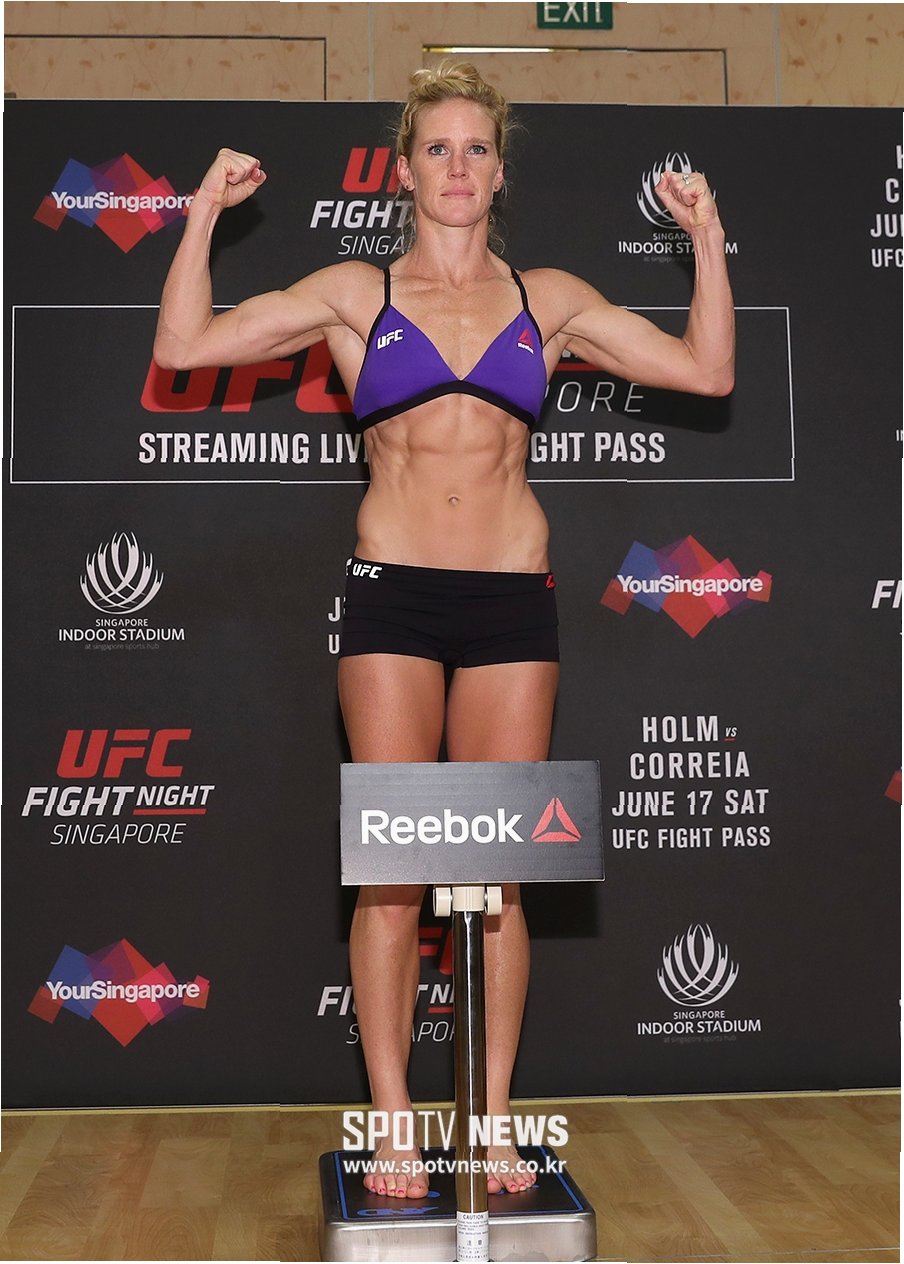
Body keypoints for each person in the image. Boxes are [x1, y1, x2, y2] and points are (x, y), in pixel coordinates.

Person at [154, 60, 734, 1199]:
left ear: (498, 171)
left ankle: (493, 1118)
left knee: (497, 876)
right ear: (404, 171)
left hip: (512, 599)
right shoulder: (353, 293)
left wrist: (706, 237)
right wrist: (202, 215)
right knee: (393, 878)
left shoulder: (549, 300)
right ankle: (392, 1117)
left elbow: (708, 372)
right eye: (438, 148)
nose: (457, 167)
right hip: (394, 600)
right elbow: (184, 348)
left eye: (476, 149)